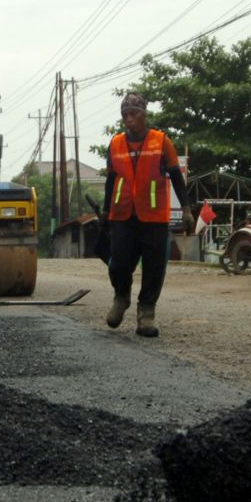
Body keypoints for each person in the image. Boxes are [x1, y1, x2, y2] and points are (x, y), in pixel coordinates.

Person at [99, 92, 193, 337]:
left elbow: (176, 177)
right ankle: (121, 298)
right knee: (118, 263)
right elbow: (111, 180)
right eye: (125, 115)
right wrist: (105, 212)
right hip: (122, 215)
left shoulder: (162, 142)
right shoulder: (116, 144)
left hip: (153, 217)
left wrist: (186, 209)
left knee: (153, 267)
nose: (129, 119)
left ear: (144, 115)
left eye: (134, 114)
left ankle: (146, 314)